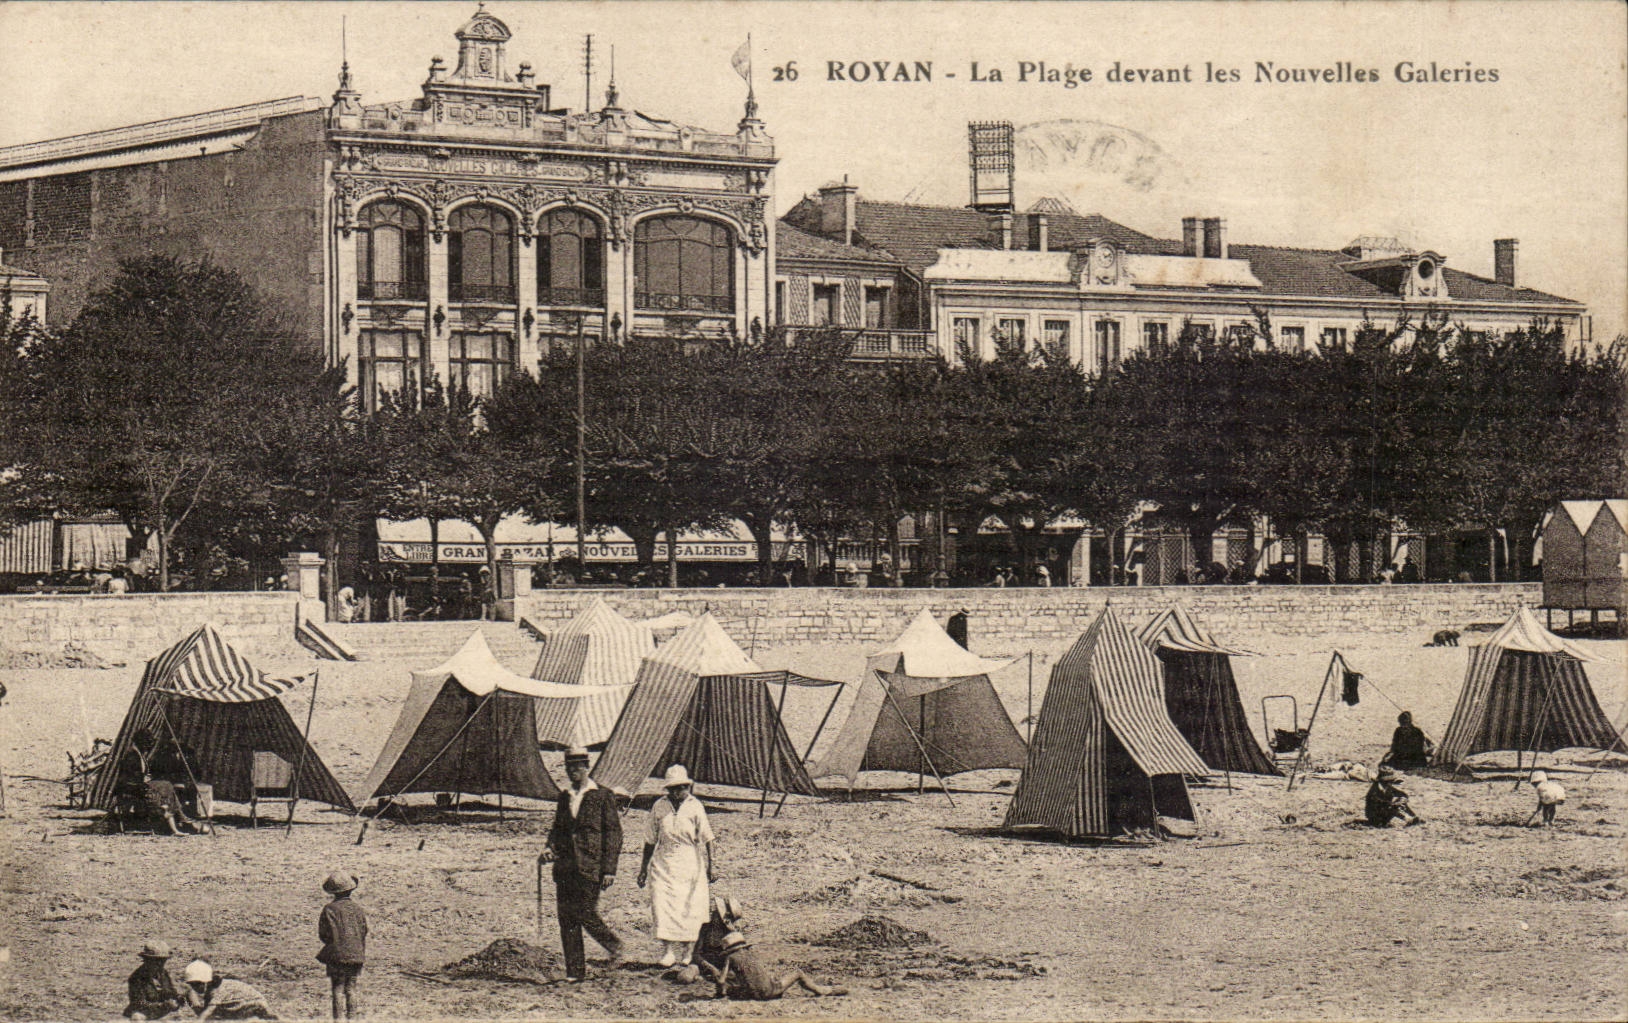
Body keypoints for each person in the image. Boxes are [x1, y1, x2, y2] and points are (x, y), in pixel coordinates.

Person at [540, 748, 624, 982]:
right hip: (565, 867)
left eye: (578, 767)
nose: (573, 771)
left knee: (585, 911)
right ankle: (575, 972)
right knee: (566, 918)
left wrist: (609, 870)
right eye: (569, 767)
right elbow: (558, 829)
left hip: (591, 866)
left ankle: (615, 945)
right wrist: (549, 848)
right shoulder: (564, 796)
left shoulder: (602, 795)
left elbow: (614, 834)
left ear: (587, 767)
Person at [637, 765, 715, 968]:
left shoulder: (695, 806)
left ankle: (688, 952)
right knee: (663, 904)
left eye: (683, 787)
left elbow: (708, 838)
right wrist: (643, 869)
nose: (679, 792)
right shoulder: (659, 807)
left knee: (691, 906)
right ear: (668, 789)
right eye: (675, 788)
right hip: (664, 862)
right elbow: (649, 840)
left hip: (690, 861)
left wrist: (711, 867)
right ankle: (668, 951)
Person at [698, 931, 847, 1001]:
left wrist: (720, 993)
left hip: (752, 995)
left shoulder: (730, 958)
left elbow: (722, 980)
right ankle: (822, 990)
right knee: (798, 973)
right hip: (770, 991)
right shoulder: (750, 954)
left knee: (732, 980)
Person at [317, 872, 367, 1019]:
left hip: (337, 955)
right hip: (356, 954)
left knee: (338, 989)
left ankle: (338, 1019)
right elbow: (364, 931)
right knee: (351, 988)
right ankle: (352, 1018)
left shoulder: (329, 909)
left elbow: (323, 934)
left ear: (332, 892)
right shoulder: (357, 909)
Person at [181, 961, 277, 1021]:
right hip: (239, 1007)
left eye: (198, 984)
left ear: (206, 982)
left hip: (254, 1005)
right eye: (192, 985)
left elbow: (206, 1014)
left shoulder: (218, 989)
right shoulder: (210, 990)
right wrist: (190, 999)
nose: (196, 988)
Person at [124, 940, 185, 1020]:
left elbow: (170, 991)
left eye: (163, 961)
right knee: (137, 1017)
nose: (160, 964)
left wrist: (177, 997)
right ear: (147, 960)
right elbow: (139, 1004)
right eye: (157, 961)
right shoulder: (136, 978)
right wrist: (163, 1006)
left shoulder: (163, 973)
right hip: (145, 1013)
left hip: (161, 1011)